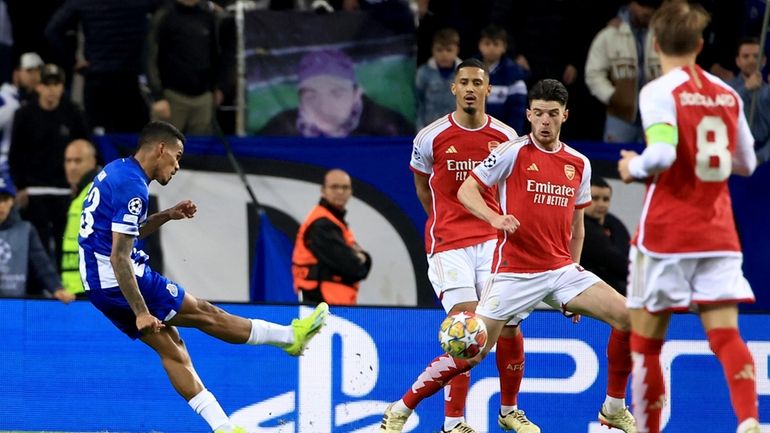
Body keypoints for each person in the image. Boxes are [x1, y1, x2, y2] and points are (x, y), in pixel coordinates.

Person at [380, 79, 636, 433]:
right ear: (529, 114)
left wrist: (575, 275)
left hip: (561, 270)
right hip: (513, 272)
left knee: (628, 316)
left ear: (565, 116)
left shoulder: (578, 163)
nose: (545, 121)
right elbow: (468, 189)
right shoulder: (511, 151)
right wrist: (493, 218)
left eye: (553, 114)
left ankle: (613, 408)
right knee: (472, 350)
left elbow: (577, 229)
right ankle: (402, 407)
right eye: (539, 113)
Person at [78, 121, 329, 433]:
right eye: (178, 155)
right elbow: (119, 256)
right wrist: (141, 312)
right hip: (118, 277)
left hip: (98, 282)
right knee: (205, 314)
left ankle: (223, 428)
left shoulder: (118, 170)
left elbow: (124, 234)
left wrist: (166, 215)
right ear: (160, 149)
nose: (178, 165)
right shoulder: (134, 186)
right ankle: (290, 338)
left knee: (172, 347)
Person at [617, 2, 759, 433]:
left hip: (666, 235)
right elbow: (747, 163)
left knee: (646, 345)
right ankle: (749, 419)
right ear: (700, 44)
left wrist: (632, 167)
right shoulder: (728, 93)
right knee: (726, 336)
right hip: (718, 234)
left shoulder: (659, 91)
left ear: (655, 44)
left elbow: (661, 154)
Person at [399, 57, 528, 433]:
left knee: (507, 325)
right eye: (464, 82)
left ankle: (509, 410)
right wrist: (446, 219)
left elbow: (509, 190)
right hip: (449, 244)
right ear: (453, 89)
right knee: (467, 328)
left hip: (492, 242)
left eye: (478, 83)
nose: (471, 89)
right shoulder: (430, 136)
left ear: (488, 90)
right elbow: (424, 188)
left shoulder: (506, 137)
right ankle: (453, 420)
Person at [8, 63, 89, 269]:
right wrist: (20, 188)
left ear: (63, 86)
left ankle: (67, 288)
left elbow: (86, 150)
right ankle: (42, 292)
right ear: (38, 87)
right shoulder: (24, 114)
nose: (52, 89)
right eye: (47, 84)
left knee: (68, 244)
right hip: (33, 192)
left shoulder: (73, 113)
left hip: (65, 192)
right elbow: (14, 156)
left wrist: (79, 187)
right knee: (38, 246)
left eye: (57, 84)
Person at [45, 0, 159, 133]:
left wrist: (73, 62)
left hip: (98, 80)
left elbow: (52, 31)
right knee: (133, 141)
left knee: (98, 141)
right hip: (128, 80)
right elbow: (167, 10)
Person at [258, 49, 414, 137]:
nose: (324, 107)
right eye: (311, 95)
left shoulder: (390, 126)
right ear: (300, 99)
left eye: (336, 93)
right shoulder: (281, 128)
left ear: (356, 93)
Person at [585, 0, 662, 143]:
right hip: (620, 117)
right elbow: (593, 74)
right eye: (642, 5)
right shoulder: (610, 35)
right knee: (613, 163)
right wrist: (612, 96)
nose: (646, 11)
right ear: (631, 4)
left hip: (657, 116)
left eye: (651, 7)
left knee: (658, 164)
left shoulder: (664, 36)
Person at [292, 168, 372, 305]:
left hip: (335, 304)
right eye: (334, 187)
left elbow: (361, 265)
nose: (340, 192)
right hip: (320, 304)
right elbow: (353, 267)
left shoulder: (336, 222)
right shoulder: (321, 224)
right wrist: (360, 258)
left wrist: (364, 259)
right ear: (323, 190)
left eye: (345, 187)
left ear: (351, 192)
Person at [146, 0, 223, 135]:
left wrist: (216, 86)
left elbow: (214, 54)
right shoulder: (164, 15)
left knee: (201, 150)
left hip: (203, 97)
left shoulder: (208, 17)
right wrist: (158, 96)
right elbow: (150, 57)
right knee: (164, 148)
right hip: (172, 97)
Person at [0, 174, 74, 303]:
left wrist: (56, 288)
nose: (0, 205)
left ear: (12, 201)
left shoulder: (26, 230)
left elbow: (41, 263)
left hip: (16, 304)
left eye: (4, 199)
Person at [61, 139, 99, 297]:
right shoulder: (79, 194)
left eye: (78, 161)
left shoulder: (96, 191)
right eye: (68, 161)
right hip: (73, 288)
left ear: (93, 161)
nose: (72, 166)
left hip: (90, 288)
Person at [580, 176, 630, 296]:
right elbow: (615, 262)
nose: (601, 204)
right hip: (591, 291)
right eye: (595, 198)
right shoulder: (581, 227)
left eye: (606, 199)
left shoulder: (614, 224)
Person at [476, 24, 528, 134]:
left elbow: (517, 112)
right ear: (480, 45)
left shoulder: (514, 75)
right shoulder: (469, 70)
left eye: (496, 44)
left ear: (504, 47)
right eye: (487, 43)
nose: (491, 48)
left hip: (503, 135)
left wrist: (513, 137)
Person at [728, 36, 770, 164]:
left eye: (756, 56)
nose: (751, 60)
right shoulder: (725, 87)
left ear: (763, 61)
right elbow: (722, 113)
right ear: (738, 61)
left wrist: (760, 157)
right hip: (732, 156)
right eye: (746, 56)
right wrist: (745, 89)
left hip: (763, 158)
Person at [415, 27, 462, 129]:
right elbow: (418, 104)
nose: (444, 54)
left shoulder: (464, 73)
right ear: (432, 49)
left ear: (457, 50)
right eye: (439, 50)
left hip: (457, 130)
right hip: (430, 129)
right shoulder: (423, 73)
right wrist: (420, 130)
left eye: (449, 50)